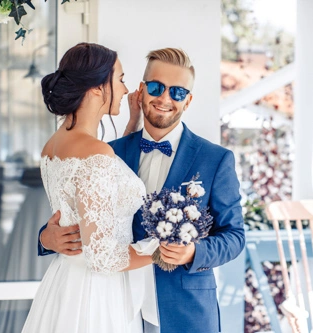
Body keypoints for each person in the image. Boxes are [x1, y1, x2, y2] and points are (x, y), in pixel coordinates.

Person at [38, 47, 245, 333]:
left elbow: (234, 236)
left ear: (189, 100)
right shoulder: (108, 152)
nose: (164, 98)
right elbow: (83, 219)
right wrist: (46, 238)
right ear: (141, 90)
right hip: (114, 306)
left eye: (178, 92)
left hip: (184, 311)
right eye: (157, 87)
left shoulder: (215, 159)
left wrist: (193, 252)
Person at [22, 42, 159, 333]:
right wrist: (163, 250)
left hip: (66, 281)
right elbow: (103, 256)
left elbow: (103, 183)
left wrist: (132, 123)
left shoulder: (53, 146)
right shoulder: (95, 153)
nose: (124, 89)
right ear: (98, 87)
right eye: (120, 80)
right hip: (97, 295)